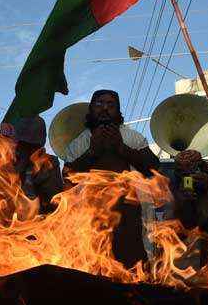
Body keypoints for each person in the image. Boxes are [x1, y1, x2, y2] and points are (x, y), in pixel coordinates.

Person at [60, 90, 160, 268]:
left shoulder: (132, 137)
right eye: (99, 104)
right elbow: (67, 178)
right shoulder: (77, 144)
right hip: (91, 219)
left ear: (118, 111)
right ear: (90, 110)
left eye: (111, 105)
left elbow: (153, 166)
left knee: (134, 272)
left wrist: (122, 149)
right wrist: (92, 152)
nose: (104, 108)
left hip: (131, 220)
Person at [11, 116, 64, 213]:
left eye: (26, 146)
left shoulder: (48, 164)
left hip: (36, 221)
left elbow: (54, 201)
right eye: (19, 144)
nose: (18, 149)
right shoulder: (9, 160)